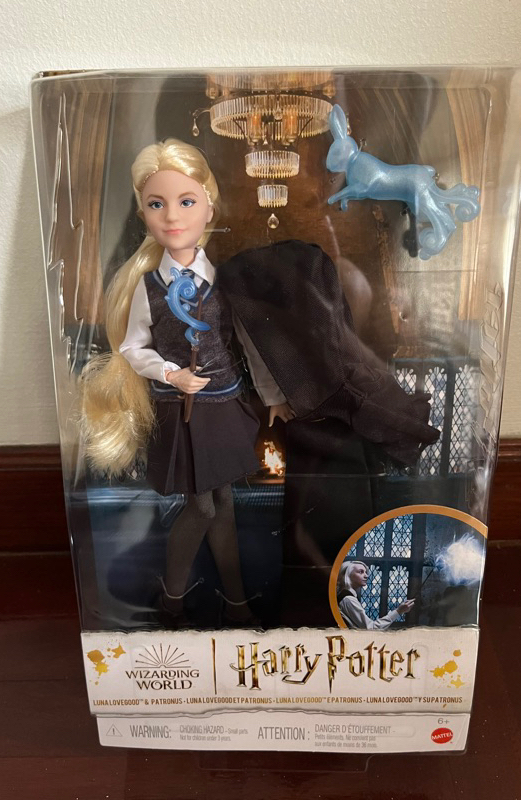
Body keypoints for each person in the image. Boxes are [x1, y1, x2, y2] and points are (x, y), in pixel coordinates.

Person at [81, 139, 292, 627]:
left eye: (186, 201)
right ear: (143, 213)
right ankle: (175, 595)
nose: (172, 216)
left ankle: (231, 599)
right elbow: (132, 347)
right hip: (181, 413)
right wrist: (170, 373)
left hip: (224, 408)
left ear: (209, 209)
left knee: (223, 503)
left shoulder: (224, 280)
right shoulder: (149, 287)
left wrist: (274, 396)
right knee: (204, 507)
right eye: (157, 204)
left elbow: (247, 343)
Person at [336, 560, 414, 630]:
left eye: (365, 572)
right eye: (360, 572)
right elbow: (371, 628)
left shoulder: (347, 596)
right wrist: (398, 611)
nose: (366, 576)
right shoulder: (348, 599)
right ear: (347, 575)